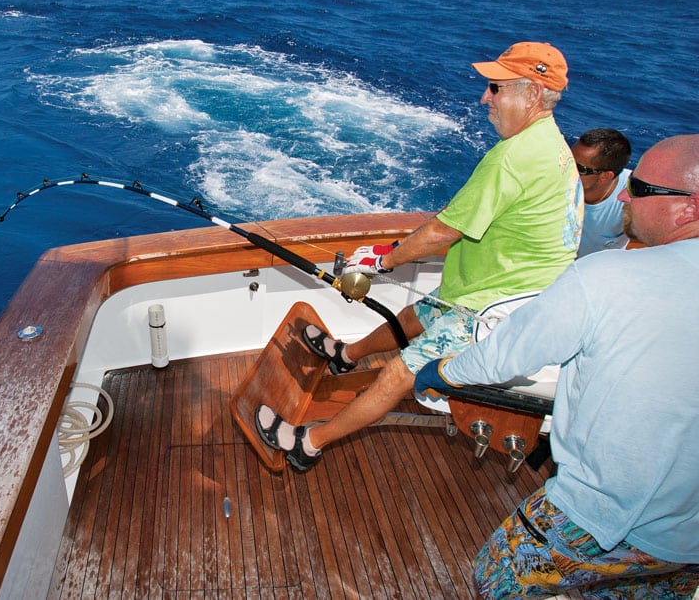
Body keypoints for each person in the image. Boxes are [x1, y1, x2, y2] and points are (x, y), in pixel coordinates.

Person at [255, 41, 583, 471]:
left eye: (495, 88)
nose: (485, 97)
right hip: (497, 288)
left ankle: (307, 443)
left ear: (534, 94)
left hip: (498, 310)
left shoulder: (514, 158)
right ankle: (345, 356)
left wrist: (382, 261)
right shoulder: (552, 144)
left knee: (396, 375)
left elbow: (444, 232)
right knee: (416, 315)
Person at [415, 134, 699, 599]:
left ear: (689, 208)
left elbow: (507, 354)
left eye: (642, 189)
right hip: (687, 541)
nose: (626, 194)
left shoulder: (606, 276)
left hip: (599, 516)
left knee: (494, 577)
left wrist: (443, 373)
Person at [573, 127, 633, 257]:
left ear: (605, 176)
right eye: (567, 159)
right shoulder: (556, 175)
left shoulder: (632, 198)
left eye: (579, 168)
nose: (567, 169)